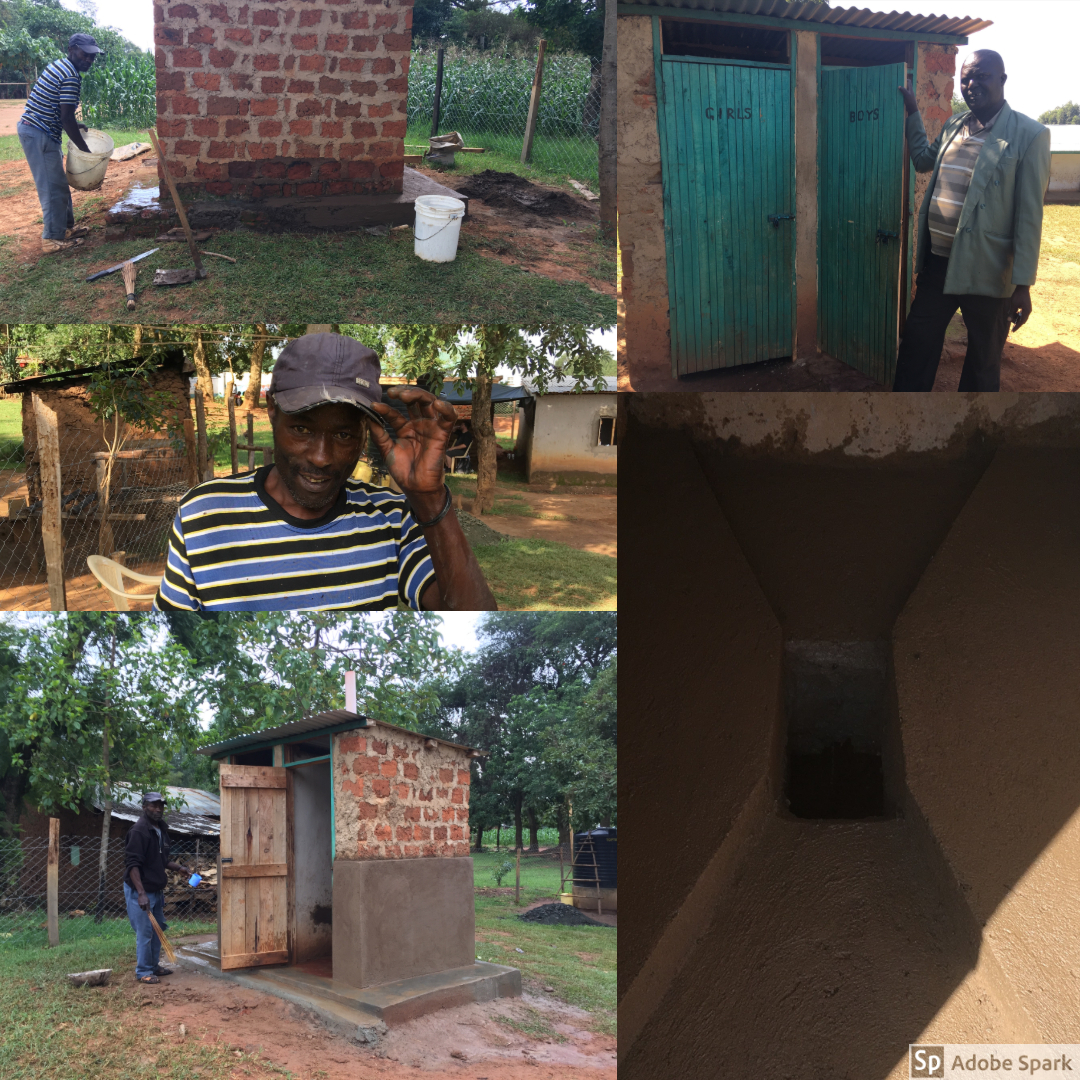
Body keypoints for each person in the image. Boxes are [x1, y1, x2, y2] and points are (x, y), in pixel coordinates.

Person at [154, 333, 497, 611]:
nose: (321, 458)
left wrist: (429, 498)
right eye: (302, 429)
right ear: (272, 409)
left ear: (365, 430)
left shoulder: (392, 518)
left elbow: (470, 614)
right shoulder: (203, 514)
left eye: (344, 434)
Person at [893, 50, 1051, 391]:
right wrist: (913, 113)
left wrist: (1022, 285)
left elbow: (1029, 216)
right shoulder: (954, 124)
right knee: (916, 346)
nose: (970, 84)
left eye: (981, 76)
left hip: (989, 272)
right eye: (965, 77)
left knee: (982, 363)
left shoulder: (1029, 135)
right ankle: (902, 427)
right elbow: (923, 160)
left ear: (1002, 80)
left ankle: (970, 438)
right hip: (939, 266)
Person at [17, 33, 101, 255]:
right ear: (71, 49)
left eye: (93, 56)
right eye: (85, 54)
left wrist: (75, 123)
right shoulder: (71, 76)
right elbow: (65, 118)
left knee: (59, 184)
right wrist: (85, 150)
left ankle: (66, 228)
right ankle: (52, 239)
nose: (89, 60)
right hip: (38, 132)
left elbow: (60, 111)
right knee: (53, 187)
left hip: (39, 130)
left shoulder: (60, 66)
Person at [124, 793, 194, 985]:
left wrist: (179, 868)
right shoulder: (139, 831)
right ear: (144, 807)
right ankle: (143, 971)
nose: (158, 809)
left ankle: (154, 966)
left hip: (155, 890)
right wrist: (141, 893)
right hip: (141, 890)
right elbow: (133, 865)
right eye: (153, 806)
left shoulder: (161, 829)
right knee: (145, 931)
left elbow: (161, 860)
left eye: (160, 806)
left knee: (158, 928)